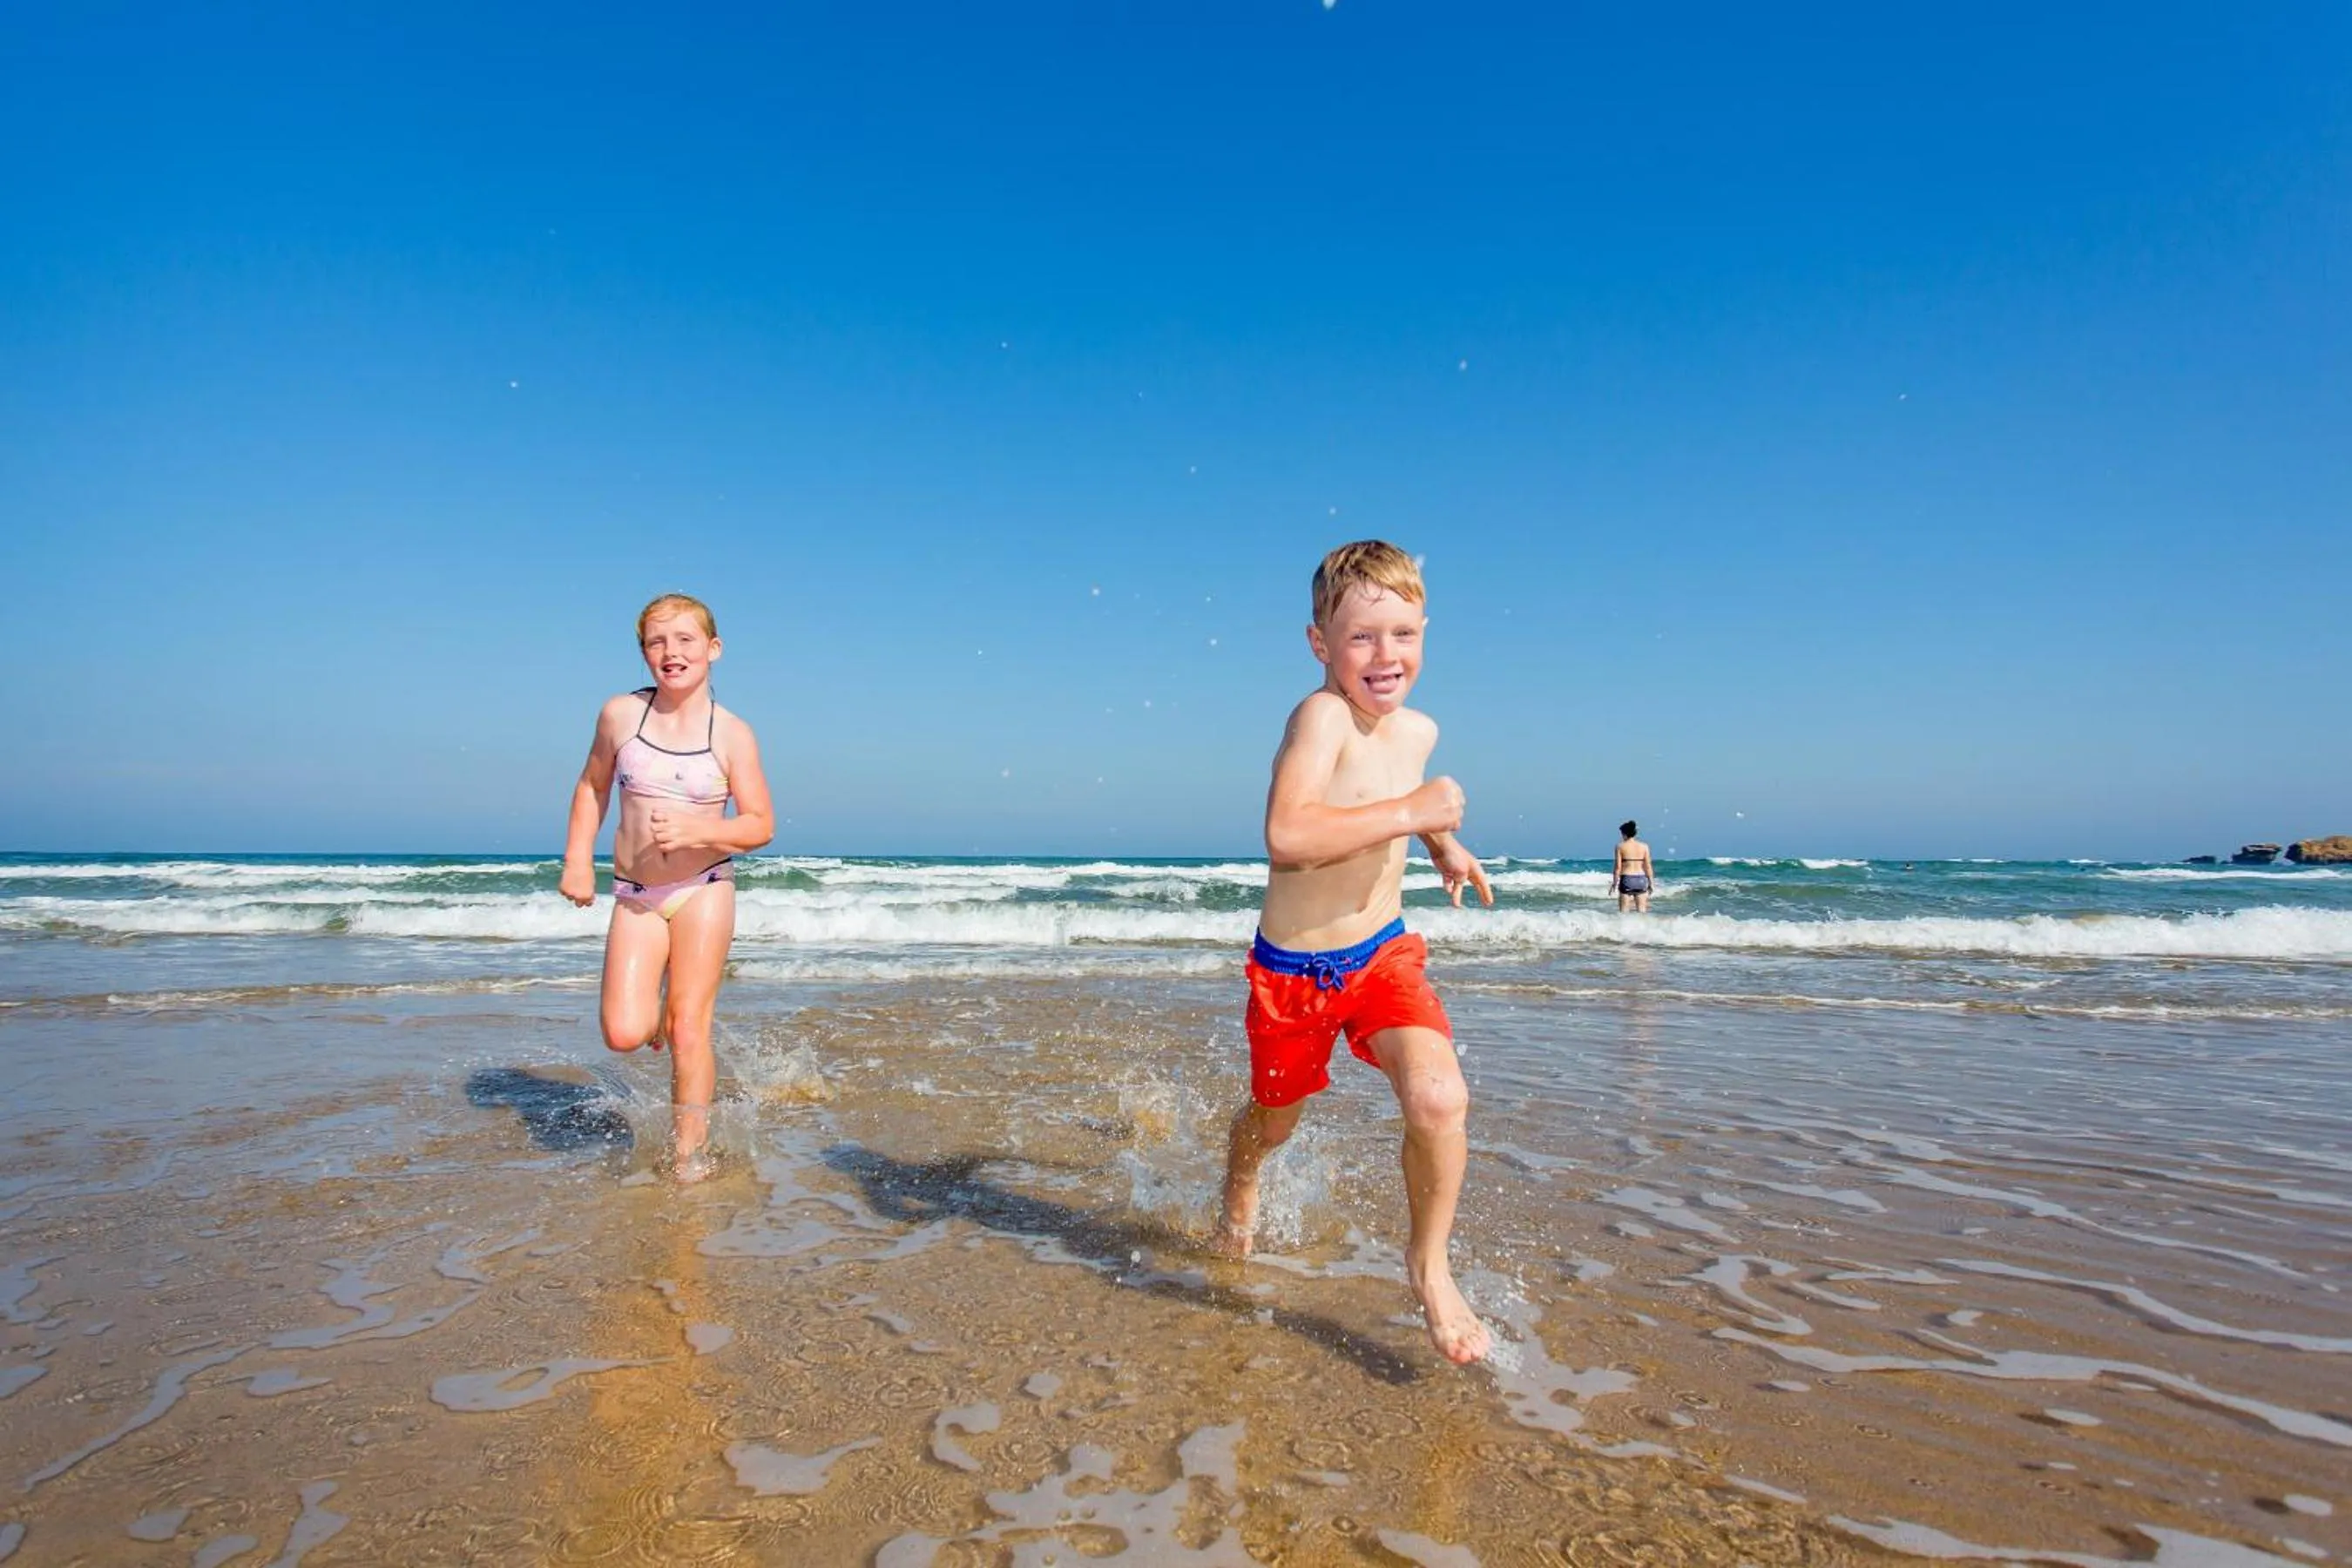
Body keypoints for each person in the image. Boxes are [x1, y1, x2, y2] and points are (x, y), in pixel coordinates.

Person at [1215, 541, 1496, 1365]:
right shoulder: (1321, 717)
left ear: (1425, 633)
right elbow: (1289, 835)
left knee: (1439, 1098)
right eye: (1362, 637)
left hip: (1381, 955)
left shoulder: (1419, 730)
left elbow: (1391, 796)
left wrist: (1442, 844)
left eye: (1402, 634)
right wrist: (1418, 813)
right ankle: (1240, 1175)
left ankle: (1429, 1266)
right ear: (1320, 644)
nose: (1385, 655)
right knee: (1273, 1124)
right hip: (1293, 975)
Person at [559, 594, 774, 1181]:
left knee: (688, 1025)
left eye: (684, 639)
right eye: (657, 642)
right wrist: (578, 860)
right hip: (636, 894)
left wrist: (701, 830)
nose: (671, 652)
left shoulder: (732, 734)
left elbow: (760, 824)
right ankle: (658, 1010)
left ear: (713, 648)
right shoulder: (620, 715)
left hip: (703, 887)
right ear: (644, 653)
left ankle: (688, 1153)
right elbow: (592, 787)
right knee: (624, 1033)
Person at [1612, 820, 1655, 912]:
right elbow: (1648, 866)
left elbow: (1618, 868)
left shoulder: (1620, 846)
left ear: (1624, 834)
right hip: (1641, 879)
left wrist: (1614, 883)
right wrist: (1651, 883)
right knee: (1642, 911)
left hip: (1627, 879)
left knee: (1624, 912)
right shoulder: (1645, 846)